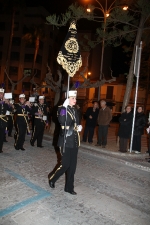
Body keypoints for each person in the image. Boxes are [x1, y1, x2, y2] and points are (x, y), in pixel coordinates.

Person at [48, 90, 82, 195]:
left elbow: (76, 122)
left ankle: (69, 188)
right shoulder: (61, 109)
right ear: (67, 99)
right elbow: (61, 121)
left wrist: (79, 127)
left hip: (75, 140)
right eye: (73, 98)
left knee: (73, 166)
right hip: (65, 141)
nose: (75, 100)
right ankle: (52, 178)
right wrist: (64, 107)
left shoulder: (74, 110)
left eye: (75, 98)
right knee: (65, 164)